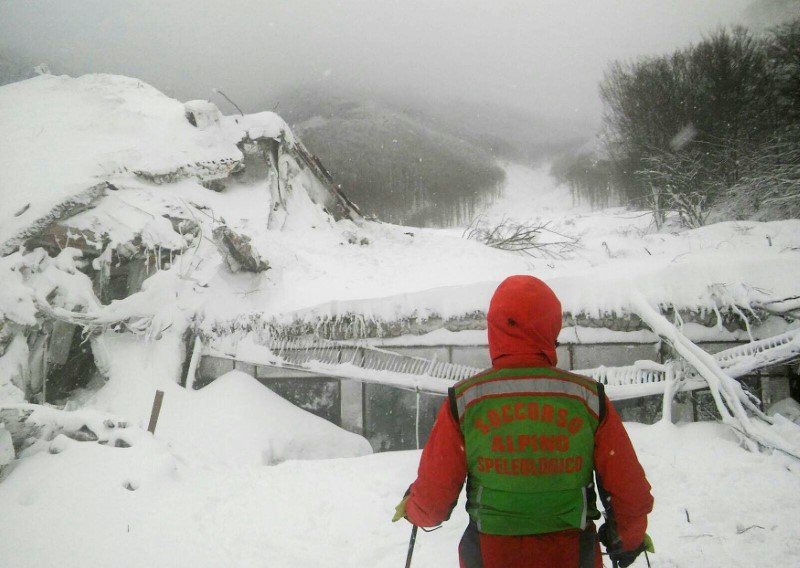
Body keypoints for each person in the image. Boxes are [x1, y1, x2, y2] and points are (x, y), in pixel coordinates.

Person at [392, 275, 654, 568]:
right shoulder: (587, 398)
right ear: (551, 326)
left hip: (490, 556)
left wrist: (414, 508)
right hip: (571, 554)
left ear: (494, 329)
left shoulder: (466, 400)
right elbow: (629, 493)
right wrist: (626, 539)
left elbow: (433, 501)